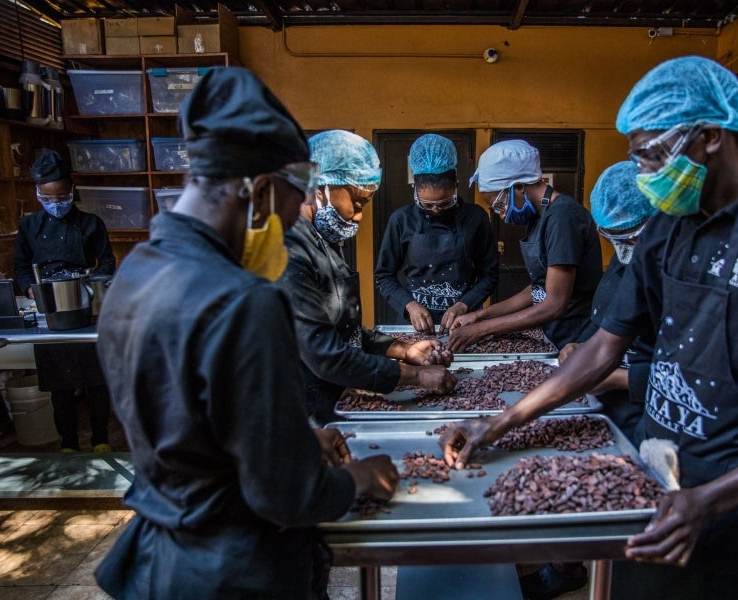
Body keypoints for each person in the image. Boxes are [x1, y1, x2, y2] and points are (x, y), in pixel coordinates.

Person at [440, 56, 738, 600]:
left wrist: (710, 499)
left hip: (733, 505)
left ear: (711, 136)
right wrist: (497, 425)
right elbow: (602, 349)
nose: (645, 175)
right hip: (648, 480)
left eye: (651, 156)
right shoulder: (668, 230)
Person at [93, 68, 399, 599]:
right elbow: (286, 495)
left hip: (162, 563)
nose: (281, 233)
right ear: (258, 192)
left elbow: (192, 422)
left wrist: (295, 436)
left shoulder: (136, 273)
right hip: (236, 571)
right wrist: (360, 478)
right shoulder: (245, 301)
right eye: (282, 215)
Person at [519, 161, 658, 600]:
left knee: (634, 534)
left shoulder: (673, 275)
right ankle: (566, 565)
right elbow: (606, 329)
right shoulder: (623, 267)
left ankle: (604, 577)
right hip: (610, 402)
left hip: (646, 413)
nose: (621, 247)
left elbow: (690, 377)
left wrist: (613, 378)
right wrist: (579, 351)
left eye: (630, 237)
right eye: (611, 239)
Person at [279, 129, 456, 426]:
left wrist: (404, 350)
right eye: (358, 203)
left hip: (334, 394)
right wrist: (415, 376)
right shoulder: (288, 247)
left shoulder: (321, 239)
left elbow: (344, 330)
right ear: (321, 186)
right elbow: (323, 352)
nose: (359, 216)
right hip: (304, 407)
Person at [446, 140, 602, 353]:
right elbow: (539, 289)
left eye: (500, 205)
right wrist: (479, 316)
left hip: (577, 337)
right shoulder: (538, 218)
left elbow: (555, 303)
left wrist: (482, 329)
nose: (501, 215)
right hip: (554, 334)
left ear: (519, 186)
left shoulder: (562, 216)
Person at [14, 149, 115, 453]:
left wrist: (89, 285)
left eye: (60, 197)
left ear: (71, 191)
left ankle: (100, 440)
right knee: (60, 385)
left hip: (86, 309)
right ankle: (68, 443)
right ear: (38, 193)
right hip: (51, 311)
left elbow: (107, 264)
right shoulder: (30, 227)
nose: (55, 204)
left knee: (97, 381)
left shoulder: (91, 224)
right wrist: (31, 288)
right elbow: (20, 266)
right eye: (47, 198)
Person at [374, 133, 498, 332]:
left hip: (464, 324)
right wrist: (410, 305)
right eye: (427, 204)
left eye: (444, 203)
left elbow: (489, 275)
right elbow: (384, 276)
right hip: (414, 325)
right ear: (414, 188)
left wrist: (465, 304)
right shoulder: (401, 219)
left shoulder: (475, 218)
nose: (436, 210)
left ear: (457, 185)